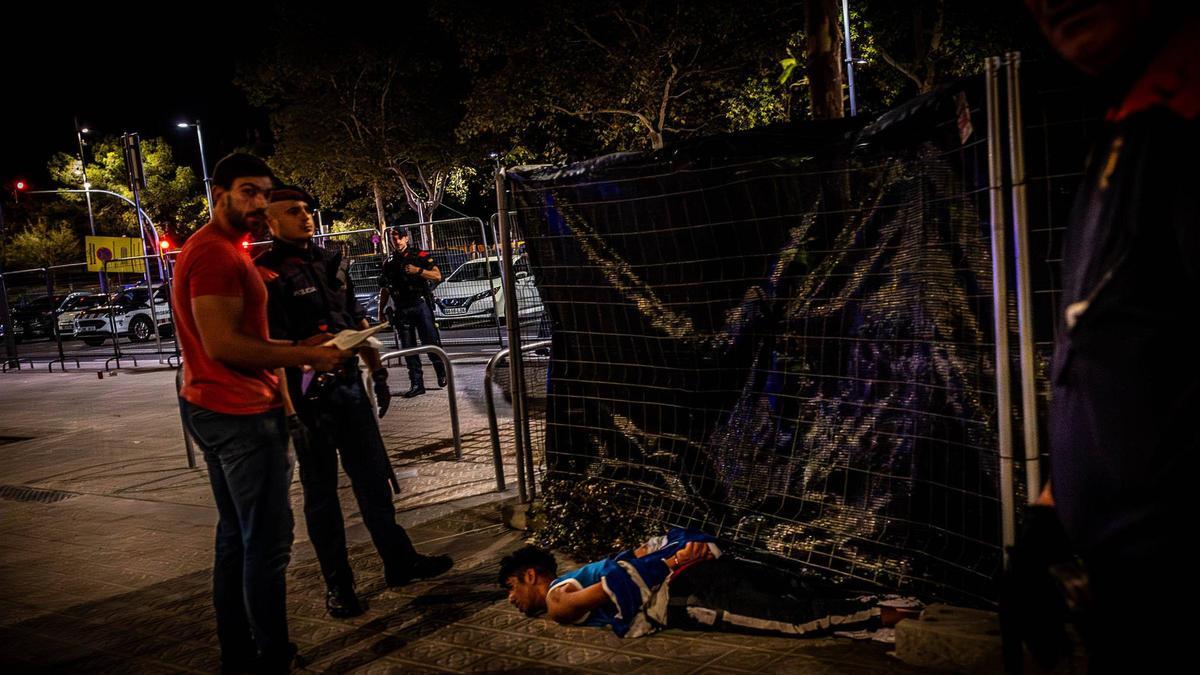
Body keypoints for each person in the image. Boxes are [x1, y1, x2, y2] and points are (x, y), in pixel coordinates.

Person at [1018, 1, 1200, 670]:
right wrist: (1050, 512)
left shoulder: (1185, 111)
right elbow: (1105, 347)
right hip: (1124, 590)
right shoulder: (1130, 120)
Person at [173, 154, 353, 673]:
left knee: (236, 537)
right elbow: (225, 345)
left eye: (263, 193)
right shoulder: (215, 255)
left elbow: (242, 338)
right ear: (218, 192)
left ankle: (240, 654)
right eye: (248, 191)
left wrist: (301, 342)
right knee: (268, 546)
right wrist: (307, 355)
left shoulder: (223, 250)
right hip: (239, 414)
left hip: (220, 408)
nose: (258, 202)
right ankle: (271, 657)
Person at [255, 186, 453, 619]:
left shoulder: (328, 260)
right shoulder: (265, 273)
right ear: (270, 222)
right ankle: (338, 587)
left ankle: (400, 563)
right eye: (293, 211)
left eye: (308, 209)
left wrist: (378, 370)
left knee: (374, 485)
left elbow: (356, 319)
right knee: (322, 497)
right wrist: (291, 415)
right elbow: (271, 350)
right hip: (309, 401)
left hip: (349, 390)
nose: (305, 216)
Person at [499, 529, 884, 639]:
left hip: (682, 592)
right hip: (695, 572)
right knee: (795, 585)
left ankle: (886, 615)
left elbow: (612, 586)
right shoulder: (580, 571)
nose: (512, 600)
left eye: (511, 589)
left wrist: (672, 558)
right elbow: (629, 559)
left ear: (530, 576)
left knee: (785, 617)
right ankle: (890, 602)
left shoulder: (556, 598)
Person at [377, 228, 447, 398]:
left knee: (430, 341)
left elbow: (437, 276)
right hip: (401, 307)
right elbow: (385, 289)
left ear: (406, 238)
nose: (397, 240)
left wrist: (419, 271)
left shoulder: (420, 255)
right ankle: (416, 383)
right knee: (408, 348)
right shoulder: (389, 262)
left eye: (400, 237)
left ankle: (441, 372)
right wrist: (381, 311)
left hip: (420, 304)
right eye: (394, 238)